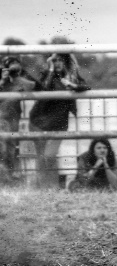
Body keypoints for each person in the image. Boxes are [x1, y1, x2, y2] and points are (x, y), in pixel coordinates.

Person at [29, 53, 89, 188]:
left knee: (49, 155)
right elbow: (44, 88)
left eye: (61, 60)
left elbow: (86, 86)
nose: (57, 63)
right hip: (39, 121)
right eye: (54, 60)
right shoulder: (45, 73)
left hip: (59, 123)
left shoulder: (71, 76)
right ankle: (42, 189)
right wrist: (50, 70)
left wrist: (73, 86)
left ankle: (52, 187)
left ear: (66, 62)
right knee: (41, 157)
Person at [0, 56, 37, 183]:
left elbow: (33, 86)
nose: (13, 67)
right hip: (2, 119)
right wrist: (3, 80)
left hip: (13, 121)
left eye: (16, 64)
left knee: (10, 150)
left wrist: (20, 73)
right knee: (3, 150)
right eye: (10, 65)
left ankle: (9, 178)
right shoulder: (2, 81)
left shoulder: (19, 82)